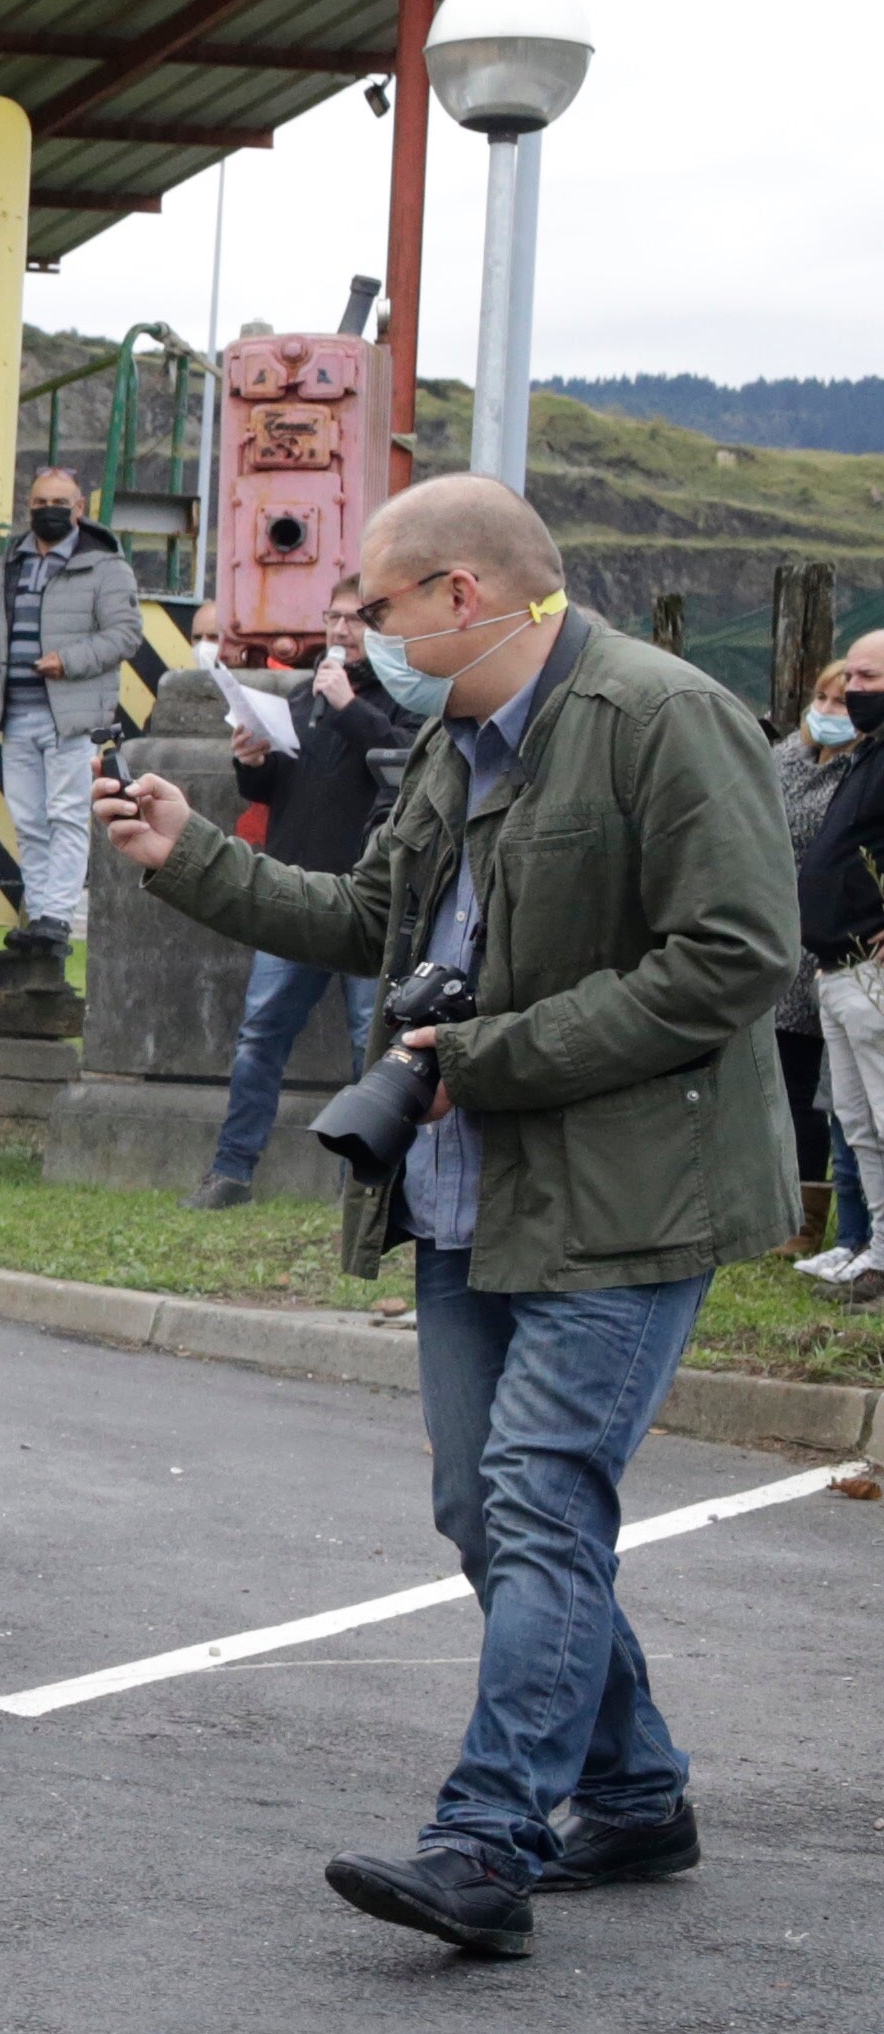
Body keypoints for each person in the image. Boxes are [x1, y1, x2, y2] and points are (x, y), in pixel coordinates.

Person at [95, 476, 796, 1956]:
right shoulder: (454, 743)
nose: (362, 632)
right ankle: (636, 1791)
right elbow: (371, 922)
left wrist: (489, 1058)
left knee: (542, 1501)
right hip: (469, 1194)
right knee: (483, 1509)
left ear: (463, 597)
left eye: (377, 605)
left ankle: (489, 1838)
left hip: (627, 1195)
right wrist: (193, 856)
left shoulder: (664, 718)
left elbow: (734, 960)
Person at [196, 576, 406, 1207]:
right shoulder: (302, 693)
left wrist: (348, 708)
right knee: (261, 1034)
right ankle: (231, 1172)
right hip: (293, 890)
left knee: (371, 1046)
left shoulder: (404, 695)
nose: (340, 632)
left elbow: (408, 761)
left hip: (368, 901)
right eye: (333, 618)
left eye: (356, 620)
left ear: (384, 627)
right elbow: (276, 791)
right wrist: (253, 762)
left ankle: (364, 1187)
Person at [0, 465, 139, 985]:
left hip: (72, 716)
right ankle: (42, 917)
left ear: (79, 510)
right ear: (28, 508)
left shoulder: (107, 567)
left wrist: (67, 660)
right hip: (18, 712)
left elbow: (125, 636)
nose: (48, 509)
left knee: (66, 815)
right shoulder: (10, 564)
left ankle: (55, 919)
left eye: (59, 501)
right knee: (29, 821)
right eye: (39, 502)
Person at [780, 635, 884, 1279]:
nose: (851, 689)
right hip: (832, 962)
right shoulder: (866, 757)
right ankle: (872, 1244)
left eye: (867, 676)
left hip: (869, 969)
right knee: (857, 1118)